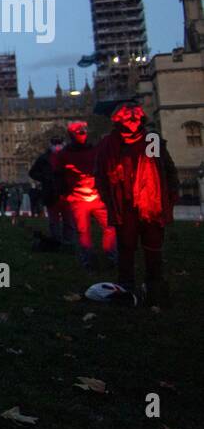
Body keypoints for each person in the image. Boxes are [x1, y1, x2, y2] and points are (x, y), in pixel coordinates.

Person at [95, 100, 179, 307]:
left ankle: (154, 285)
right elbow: (100, 176)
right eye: (127, 115)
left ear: (142, 117)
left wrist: (171, 194)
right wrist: (109, 199)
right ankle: (126, 286)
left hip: (150, 204)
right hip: (124, 205)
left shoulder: (150, 140)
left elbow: (166, 169)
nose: (132, 118)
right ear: (117, 119)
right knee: (126, 246)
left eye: (135, 114)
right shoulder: (109, 143)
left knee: (153, 246)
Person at [55, 120, 116, 270]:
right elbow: (57, 176)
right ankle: (87, 259)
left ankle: (111, 255)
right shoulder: (64, 155)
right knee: (83, 231)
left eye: (84, 130)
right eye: (78, 131)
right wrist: (64, 194)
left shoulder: (95, 151)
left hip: (98, 197)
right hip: (78, 199)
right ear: (71, 134)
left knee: (110, 227)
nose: (83, 133)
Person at [28, 138, 66, 242]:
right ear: (50, 145)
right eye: (55, 144)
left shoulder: (67, 156)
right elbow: (32, 172)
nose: (58, 147)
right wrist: (44, 178)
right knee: (54, 219)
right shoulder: (44, 158)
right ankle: (56, 240)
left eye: (60, 144)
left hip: (65, 192)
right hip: (50, 192)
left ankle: (68, 241)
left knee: (68, 220)